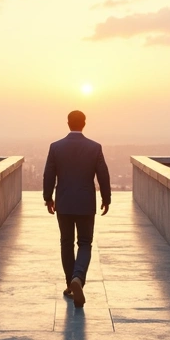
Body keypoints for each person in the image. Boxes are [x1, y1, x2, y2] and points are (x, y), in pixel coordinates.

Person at [43, 110, 111, 308]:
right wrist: (106, 198)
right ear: (84, 123)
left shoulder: (55, 147)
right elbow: (103, 176)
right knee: (84, 243)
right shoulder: (95, 148)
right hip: (85, 203)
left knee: (66, 243)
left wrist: (48, 198)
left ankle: (70, 284)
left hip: (64, 202)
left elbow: (49, 175)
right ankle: (78, 278)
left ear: (68, 123)